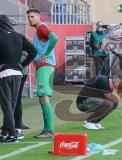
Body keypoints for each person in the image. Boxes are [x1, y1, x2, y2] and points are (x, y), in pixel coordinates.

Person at [0, 14, 37, 143]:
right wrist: (23, 64)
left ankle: (12, 134)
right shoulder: (19, 36)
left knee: (6, 105)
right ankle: (5, 132)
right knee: (11, 105)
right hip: (18, 74)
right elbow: (33, 51)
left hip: (4, 74)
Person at [27, 8, 58, 138]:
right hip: (46, 67)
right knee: (42, 98)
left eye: (32, 16)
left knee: (44, 98)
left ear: (39, 17)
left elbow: (54, 38)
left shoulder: (41, 28)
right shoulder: (39, 30)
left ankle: (50, 130)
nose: (30, 19)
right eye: (28, 17)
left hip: (45, 67)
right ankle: (47, 129)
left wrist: (45, 54)